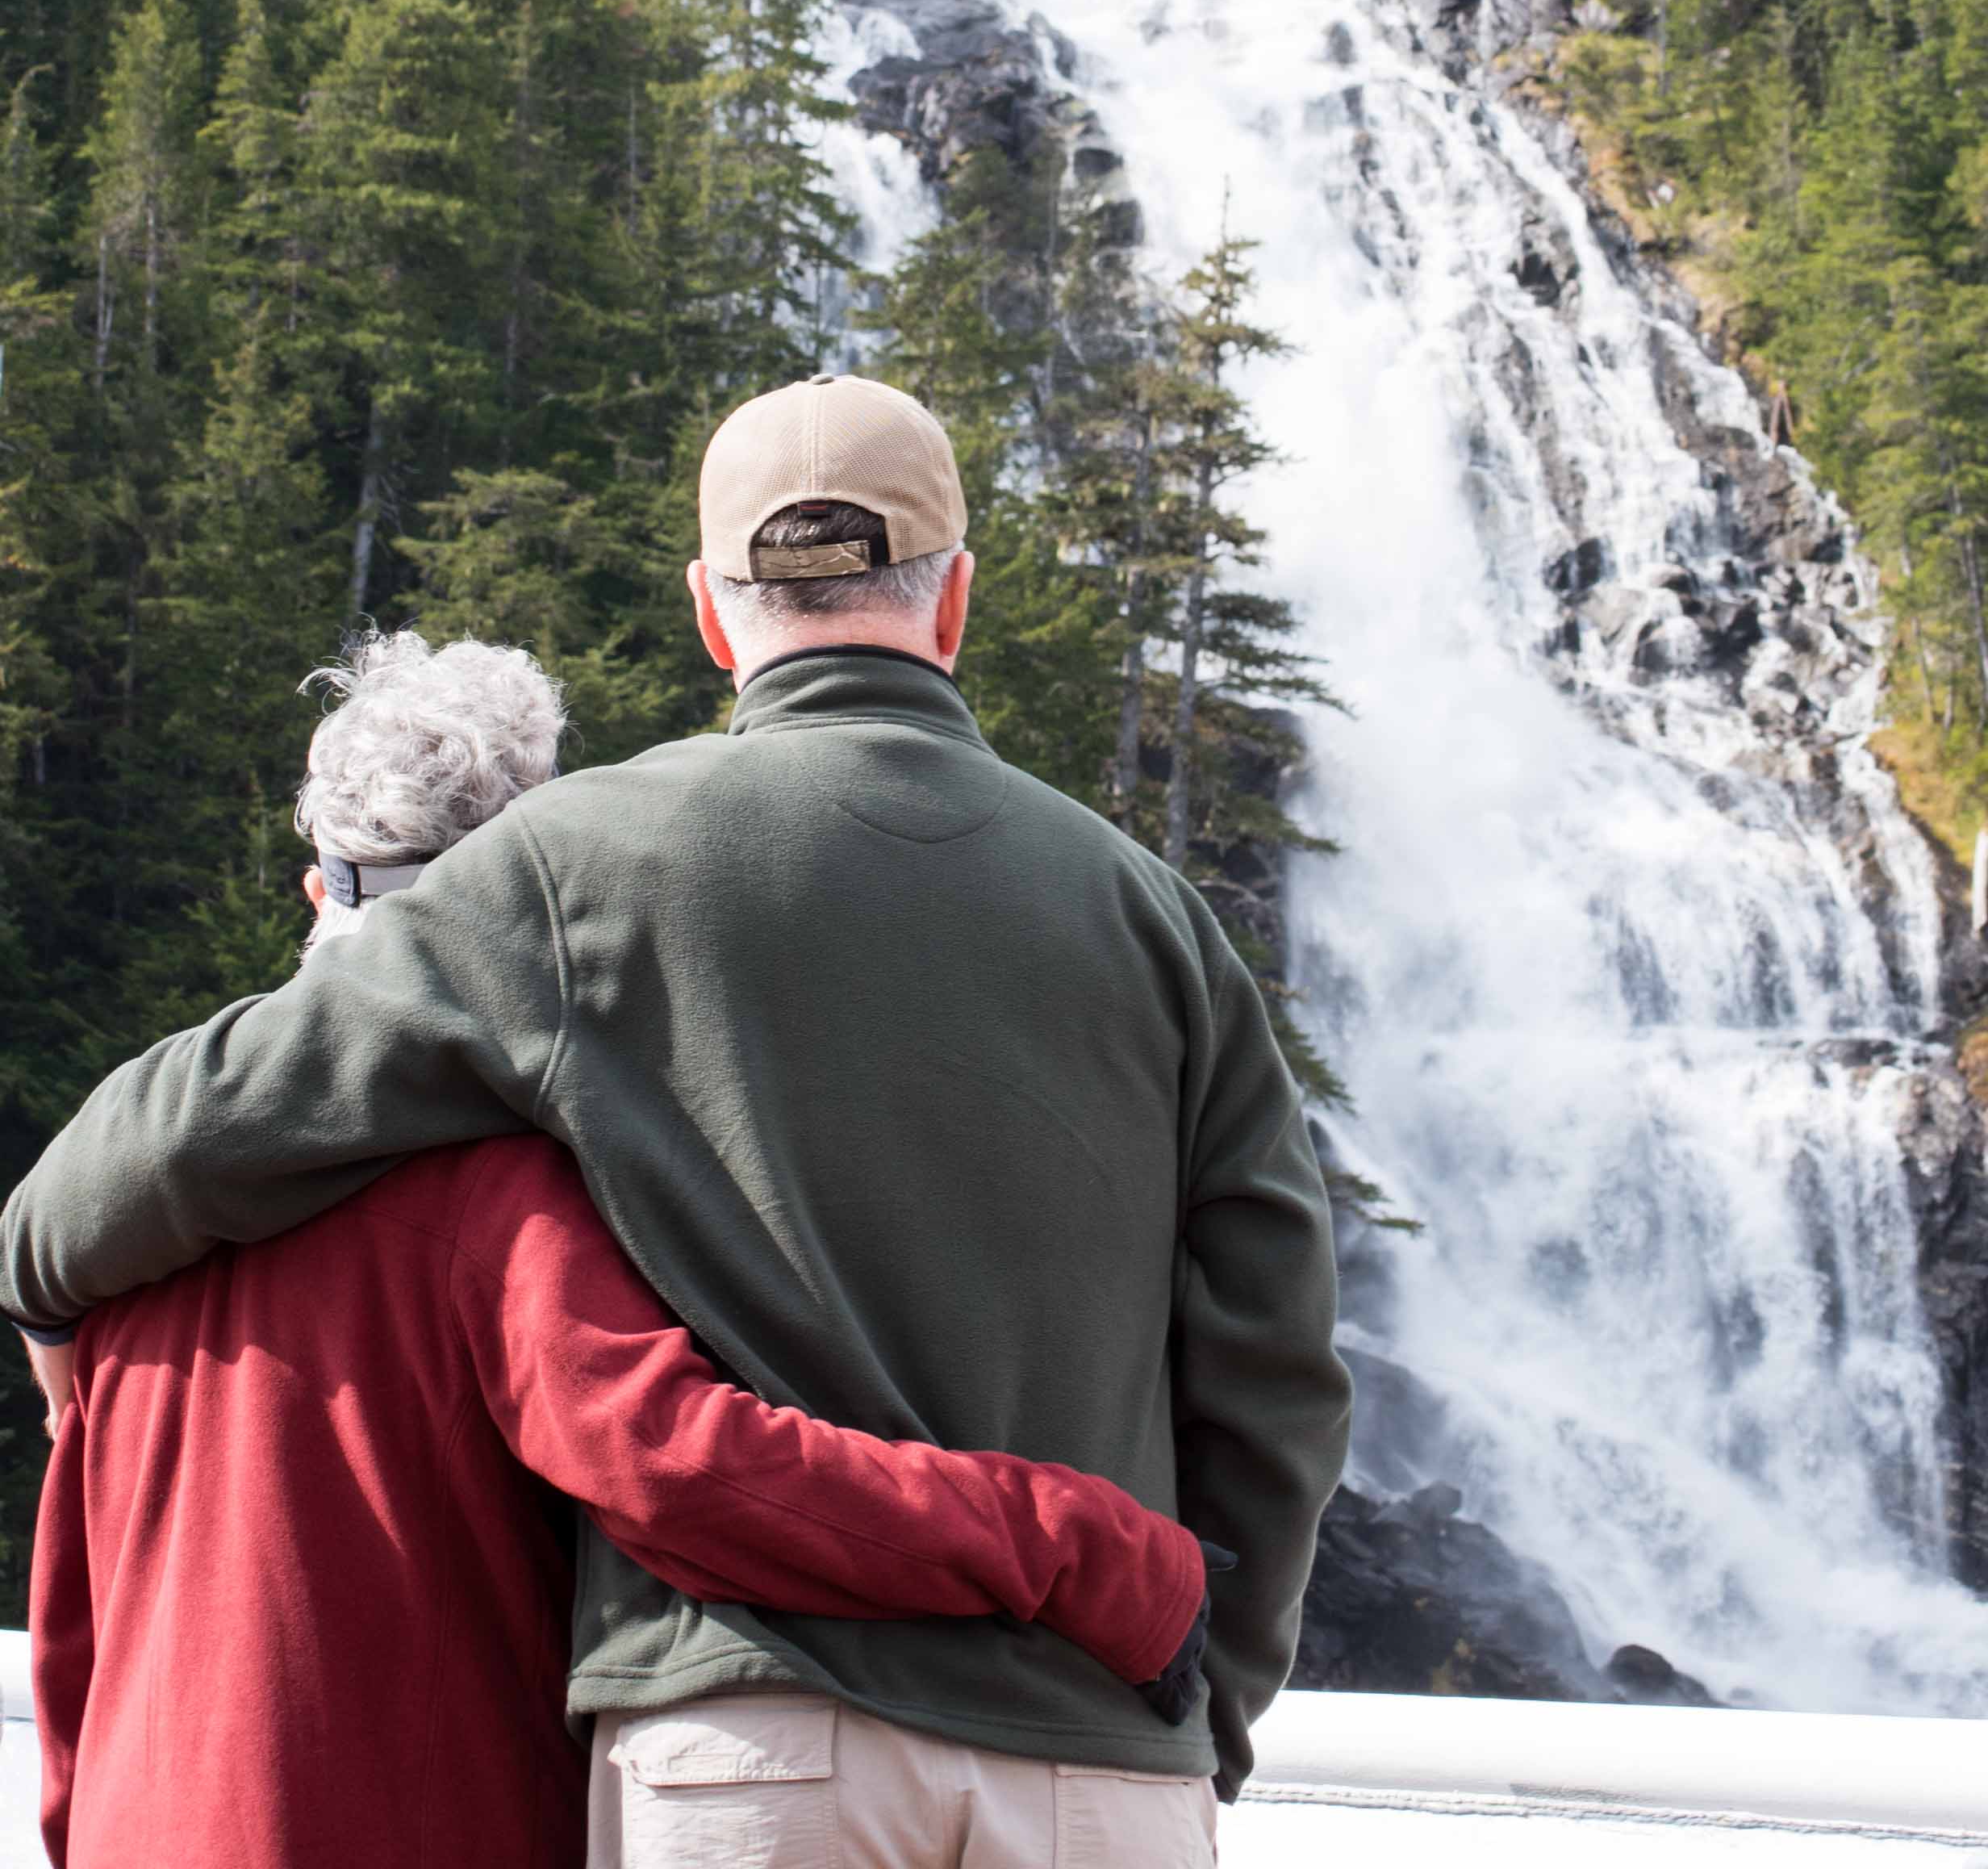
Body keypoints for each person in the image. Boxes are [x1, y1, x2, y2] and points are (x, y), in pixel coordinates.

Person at [5, 372, 1352, 1867]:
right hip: (1107, 1755)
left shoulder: (580, 865)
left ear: (711, 614)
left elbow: (184, 1134)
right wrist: (1199, 1707)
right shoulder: (1163, 921)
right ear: (957, 598)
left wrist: (49, 1291)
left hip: (754, 1744)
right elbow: (1279, 1359)